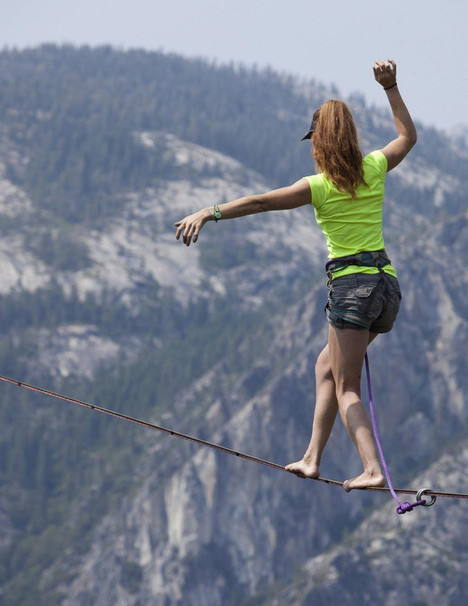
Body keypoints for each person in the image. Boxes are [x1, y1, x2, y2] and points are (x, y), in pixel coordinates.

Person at [175, 60, 417, 492]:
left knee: (346, 388)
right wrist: (391, 87)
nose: (311, 149)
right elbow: (406, 137)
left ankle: (373, 468)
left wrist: (208, 212)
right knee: (325, 365)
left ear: (322, 142)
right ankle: (311, 459)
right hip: (387, 288)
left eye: (313, 142)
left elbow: (261, 202)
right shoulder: (375, 168)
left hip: (352, 290)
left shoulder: (318, 186)